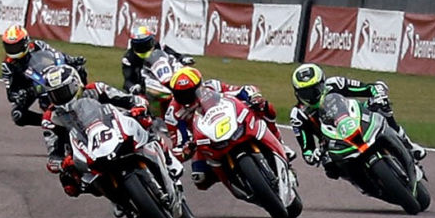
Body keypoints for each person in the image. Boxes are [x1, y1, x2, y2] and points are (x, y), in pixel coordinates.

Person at [288, 64, 421, 177]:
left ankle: (407, 144)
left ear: (323, 83)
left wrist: (378, 95)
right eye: (305, 93)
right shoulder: (298, 115)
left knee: (383, 108)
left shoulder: (335, 84)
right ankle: (364, 181)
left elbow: (368, 88)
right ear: (297, 93)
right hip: (333, 143)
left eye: (314, 90)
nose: (311, 96)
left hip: (355, 118)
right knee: (330, 169)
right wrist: (313, 155)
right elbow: (306, 149)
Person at [36, 65, 145, 197]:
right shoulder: (50, 118)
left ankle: (169, 162)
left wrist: (137, 106)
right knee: (69, 184)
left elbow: (126, 98)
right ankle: (116, 199)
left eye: (63, 91)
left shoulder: (95, 89)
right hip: (83, 152)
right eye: (55, 94)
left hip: (112, 130)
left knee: (145, 123)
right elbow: (53, 154)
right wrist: (61, 163)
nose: (60, 97)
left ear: (75, 84)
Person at [162, 67, 278, 190]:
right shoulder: (173, 113)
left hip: (230, 121)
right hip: (204, 140)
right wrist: (186, 149)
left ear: (199, 86)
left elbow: (240, 90)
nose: (187, 97)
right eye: (182, 94)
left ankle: (278, 141)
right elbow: (178, 144)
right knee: (200, 179)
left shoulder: (212, 86)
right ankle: (236, 179)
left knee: (266, 108)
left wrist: (254, 97)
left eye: (191, 92)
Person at [119, 24, 193, 95]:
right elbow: (127, 81)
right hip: (144, 88)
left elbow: (174, 54)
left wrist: (183, 58)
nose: (144, 47)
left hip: (163, 79)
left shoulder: (158, 45)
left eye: (146, 44)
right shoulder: (128, 58)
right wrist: (133, 87)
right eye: (140, 45)